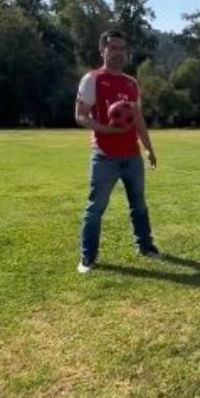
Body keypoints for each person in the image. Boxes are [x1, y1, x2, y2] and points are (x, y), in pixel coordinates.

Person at [75, 30, 161, 273]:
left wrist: (148, 148)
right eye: (113, 48)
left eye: (122, 49)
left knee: (139, 205)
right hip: (104, 156)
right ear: (102, 50)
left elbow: (138, 119)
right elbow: (80, 116)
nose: (118, 53)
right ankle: (87, 258)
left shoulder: (131, 83)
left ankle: (145, 247)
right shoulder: (92, 79)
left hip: (132, 156)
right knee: (95, 208)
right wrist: (105, 130)